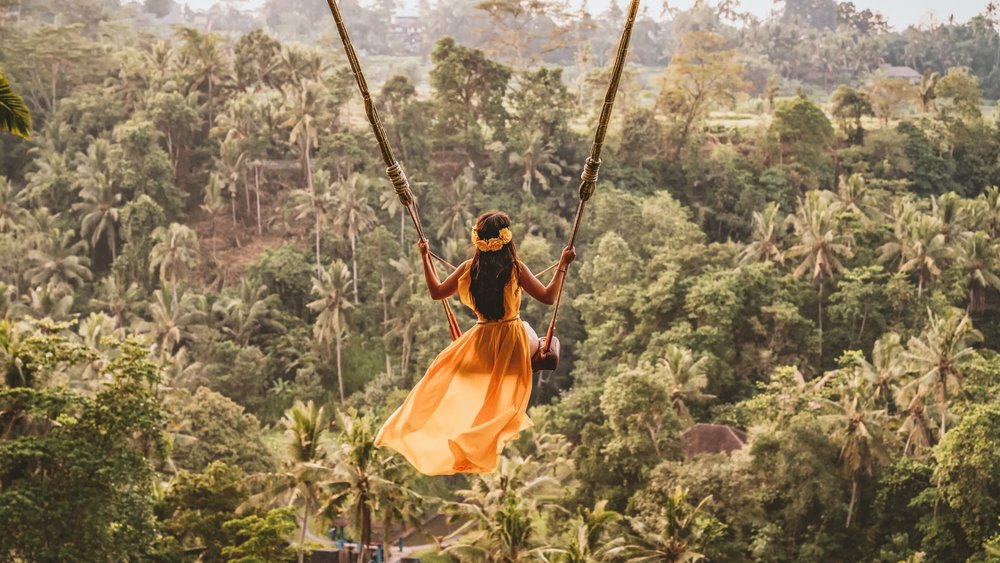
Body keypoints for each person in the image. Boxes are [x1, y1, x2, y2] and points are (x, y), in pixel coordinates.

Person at [375, 210, 576, 475]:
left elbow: (436, 292)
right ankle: (520, 368)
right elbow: (549, 297)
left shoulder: (468, 269)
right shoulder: (516, 268)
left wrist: (425, 257)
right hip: (514, 341)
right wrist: (563, 264)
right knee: (537, 339)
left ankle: (417, 426)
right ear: (507, 240)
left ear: (478, 240)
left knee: (442, 370)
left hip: (480, 343)